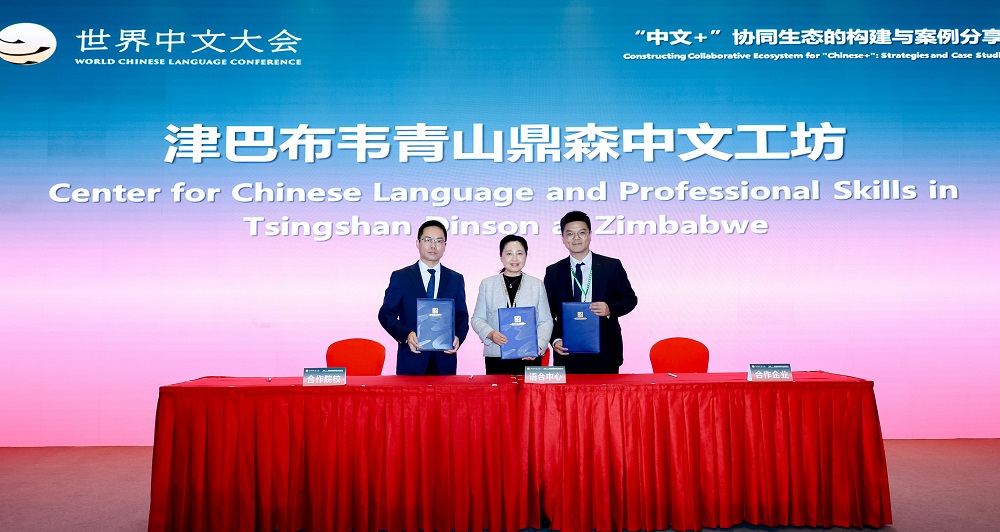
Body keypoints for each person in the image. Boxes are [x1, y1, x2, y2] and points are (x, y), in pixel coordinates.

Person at [544, 211, 637, 374]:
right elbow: (546, 313)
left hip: (605, 351)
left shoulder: (611, 266)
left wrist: (610, 308)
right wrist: (555, 339)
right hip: (567, 351)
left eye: (581, 232)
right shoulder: (554, 271)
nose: (576, 238)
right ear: (563, 238)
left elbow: (629, 299)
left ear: (590, 235)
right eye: (570, 234)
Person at [378, 220, 469, 375]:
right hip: (412, 359)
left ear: (445, 246)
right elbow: (386, 314)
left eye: (439, 241)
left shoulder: (455, 279)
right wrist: (406, 335)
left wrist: (458, 337)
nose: (433, 245)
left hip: (444, 360)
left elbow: (461, 316)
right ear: (417, 243)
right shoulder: (401, 277)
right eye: (428, 240)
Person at [471, 235, 554, 375]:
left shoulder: (537, 285)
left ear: (526, 256)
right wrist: (490, 333)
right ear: (501, 256)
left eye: (519, 253)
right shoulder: (488, 284)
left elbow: (545, 320)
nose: (514, 259)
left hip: (529, 355)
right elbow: (477, 319)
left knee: (529, 390)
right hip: (497, 354)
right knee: (498, 390)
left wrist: (538, 346)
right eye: (509, 253)